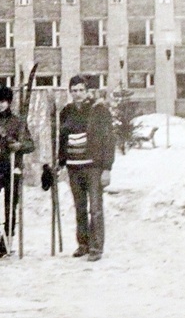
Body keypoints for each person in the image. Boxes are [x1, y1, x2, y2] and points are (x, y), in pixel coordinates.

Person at [59, 75, 116, 262]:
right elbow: (62, 138)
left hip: (93, 166)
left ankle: (96, 247)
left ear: (87, 91)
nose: (77, 94)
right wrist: (60, 163)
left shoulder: (98, 110)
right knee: (80, 207)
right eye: (74, 91)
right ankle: (83, 244)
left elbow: (108, 139)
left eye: (81, 90)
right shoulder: (66, 111)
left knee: (95, 208)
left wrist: (107, 168)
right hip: (74, 167)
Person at [0, 85, 35, 253]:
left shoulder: (18, 122)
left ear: (8, 102)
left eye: (2, 102)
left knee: (10, 207)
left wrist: (19, 146)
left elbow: (30, 145)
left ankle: (7, 242)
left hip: (13, 169)